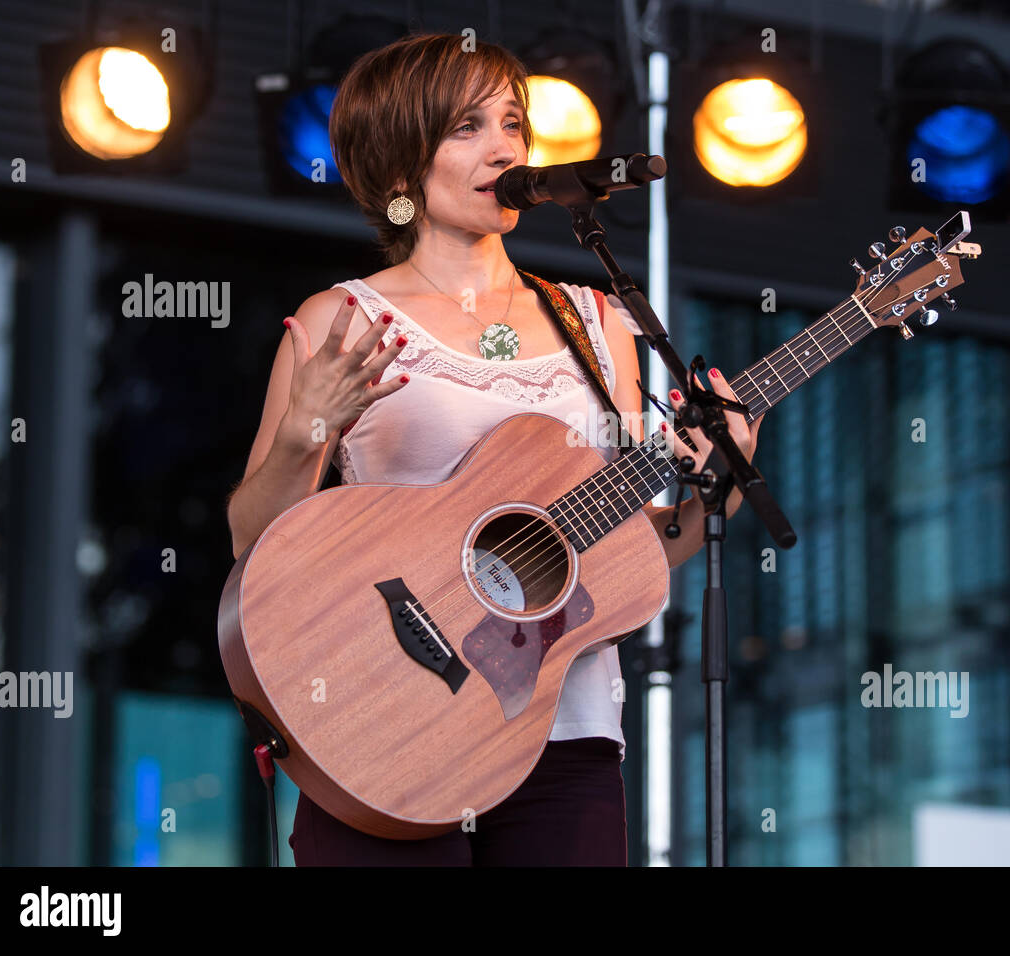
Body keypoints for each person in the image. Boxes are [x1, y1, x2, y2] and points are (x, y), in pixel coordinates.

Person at [225, 32, 764, 866]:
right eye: (467, 126)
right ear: (402, 166)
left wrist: (714, 490)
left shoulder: (594, 323)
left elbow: (632, 553)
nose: (505, 146)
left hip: (566, 739)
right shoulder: (342, 318)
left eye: (512, 123)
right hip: (385, 724)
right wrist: (306, 432)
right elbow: (254, 544)